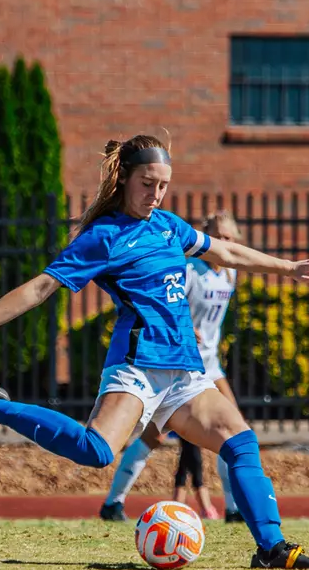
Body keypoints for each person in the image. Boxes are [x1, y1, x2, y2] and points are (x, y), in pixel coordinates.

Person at [0, 134, 309, 570]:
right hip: (138, 366)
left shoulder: (168, 225)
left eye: (163, 185)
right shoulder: (103, 237)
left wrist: (290, 267)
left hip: (184, 372)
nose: (155, 194)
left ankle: (272, 548)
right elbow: (42, 287)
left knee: (241, 443)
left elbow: (227, 250)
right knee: (96, 451)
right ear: (123, 179)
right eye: (147, 183)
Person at [100, 212, 244, 526]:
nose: (226, 243)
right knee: (151, 436)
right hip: (180, 363)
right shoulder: (191, 270)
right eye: (220, 236)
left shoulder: (229, 275)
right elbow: (166, 303)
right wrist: (182, 328)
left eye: (231, 238)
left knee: (234, 432)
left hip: (210, 365)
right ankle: (113, 503)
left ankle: (234, 509)